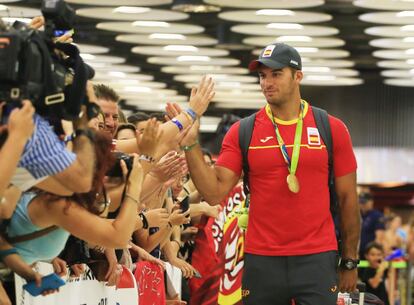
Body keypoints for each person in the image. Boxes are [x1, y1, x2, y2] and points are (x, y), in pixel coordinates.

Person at [179, 43, 360, 304]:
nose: (267, 82)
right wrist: (191, 145)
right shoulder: (244, 132)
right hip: (262, 259)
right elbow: (213, 191)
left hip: (317, 257)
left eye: (276, 74)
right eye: (262, 76)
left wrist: (350, 260)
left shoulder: (331, 129)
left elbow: (348, 200)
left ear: (298, 76)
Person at [359, 191, 385, 259]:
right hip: (357, 252)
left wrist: (373, 255)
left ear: (371, 202)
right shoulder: (357, 216)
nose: (362, 205)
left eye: (365, 202)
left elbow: (379, 237)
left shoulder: (377, 216)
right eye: (361, 202)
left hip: (370, 255)